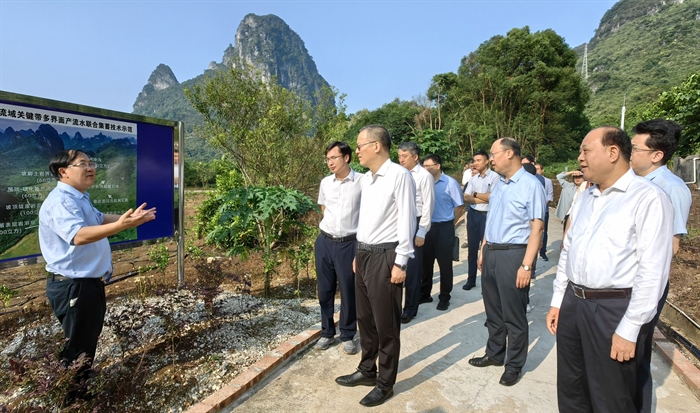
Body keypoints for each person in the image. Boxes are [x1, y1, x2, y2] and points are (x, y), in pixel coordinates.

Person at [546, 127, 673, 412]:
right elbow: (569, 251)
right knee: (572, 388)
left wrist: (630, 328)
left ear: (613, 152)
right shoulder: (586, 198)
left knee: (611, 396)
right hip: (573, 303)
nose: (580, 158)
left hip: (613, 309)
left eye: (586, 150)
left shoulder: (648, 198)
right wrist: (558, 301)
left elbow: (653, 270)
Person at [39, 149, 156, 405]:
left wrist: (132, 220)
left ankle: (79, 391)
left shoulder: (79, 197)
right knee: (77, 346)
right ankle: (71, 400)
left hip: (86, 283)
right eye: (82, 164)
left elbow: (99, 219)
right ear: (63, 171)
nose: (90, 168)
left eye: (91, 163)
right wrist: (120, 226)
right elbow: (78, 235)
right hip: (74, 285)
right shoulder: (61, 201)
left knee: (85, 340)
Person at [335, 125, 416, 407]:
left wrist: (401, 261)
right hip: (364, 253)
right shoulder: (368, 179)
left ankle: (385, 383)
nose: (356, 151)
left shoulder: (399, 176)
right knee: (365, 319)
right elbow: (367, 220)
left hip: (386, 255)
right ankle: (367, 369)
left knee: (386, 324)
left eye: (360, 146)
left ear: (377, 146)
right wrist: (359, 251)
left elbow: (407, 219)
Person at [468, 137, 545, 387]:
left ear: (509, 153)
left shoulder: (531, 185)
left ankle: (514, 365)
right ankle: (494, 353)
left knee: (514, 314)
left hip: (514, 254)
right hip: (491, 250)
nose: (491, 159)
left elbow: (537, 228)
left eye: (494, 154)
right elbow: (492, 219)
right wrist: (483, 248)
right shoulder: (499, 184)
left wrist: (526, 265)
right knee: (493, 309)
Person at [630, 119, 692, 413]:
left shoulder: (671, 188)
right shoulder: (633, 183)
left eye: (634, 148)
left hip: (642, 284)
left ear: (657, 155)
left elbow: (671, 246)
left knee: (635, 353)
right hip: (621, 283)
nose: (629, 153)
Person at [314, 141, 364, 354]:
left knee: (348, 290)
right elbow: (323, 206)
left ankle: (347, 334)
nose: (330, 162)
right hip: (325, 242)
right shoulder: (326, 182)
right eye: (327, 159)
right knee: (325, 290)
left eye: (334, 158)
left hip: (349, 244)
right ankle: (327, 332)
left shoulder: (362, 181)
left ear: (346, 157)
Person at [419, 154, 464, 310]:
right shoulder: (424, 182)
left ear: (438, 166)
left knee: (444, 264)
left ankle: (444, 296)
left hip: (444, 227)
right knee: (426, 263)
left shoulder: (450, 183)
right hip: (427, 227)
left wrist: (451, 223)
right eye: (423, 166)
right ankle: (424, 294)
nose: (425, 169)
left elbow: (459, 206)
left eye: (428, 166)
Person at [397, 141, 435, 324]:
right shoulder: (399, 174)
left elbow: (428, 205)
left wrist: (422, 231)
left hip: (417, 222)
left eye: (404, 156)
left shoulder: (424, 176)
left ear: (415, 156)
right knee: (397, 264)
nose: (401, 160)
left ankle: (410, 308)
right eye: (399, 156)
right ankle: (395, 306)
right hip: (399, 222)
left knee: (412, 268)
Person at [462, 150, 499, 291]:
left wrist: (476, 194)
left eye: (478, 160)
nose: (475, 163)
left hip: (487, 216)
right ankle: (471, 279)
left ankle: (487, 283)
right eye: (474, 160)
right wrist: (484, 197)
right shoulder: (473, 178)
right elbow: (466, 197)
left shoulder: (495, 177)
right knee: (472, 249)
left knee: (487, 250)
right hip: (473, 215)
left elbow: (493, 197)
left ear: (486, 161)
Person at [535, 163, 554, 261]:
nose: (536, 171)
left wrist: (541, 204)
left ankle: (543, 252)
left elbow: (550, 196)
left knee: (544, 231)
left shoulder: (547, 181)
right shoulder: (531, 181)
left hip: (544, 211)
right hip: (533, 211)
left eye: (538, 169)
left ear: (542, 170)